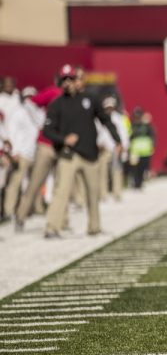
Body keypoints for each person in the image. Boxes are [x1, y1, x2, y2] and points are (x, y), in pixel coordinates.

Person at [42, 66, 121, 238]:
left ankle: (95, 227)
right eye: (65, 80)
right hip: (68, 155)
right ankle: (52, 227)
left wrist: (117, 140)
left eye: (72, 79)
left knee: (93, 194)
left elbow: (105, 120)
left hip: (89, 154)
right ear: (61, 83)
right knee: (61, 192)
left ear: (78, 81)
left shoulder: (90, 99)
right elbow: (47, 130)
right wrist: (63, 139)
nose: (69, 83)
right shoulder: (57, 105)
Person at [14, 71, 65, 231]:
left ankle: (61, 221)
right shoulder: (52, 92)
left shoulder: (73, 98)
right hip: (46, 144)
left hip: (62, 145)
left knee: (62, 185)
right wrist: (41, 122)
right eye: (65, 79)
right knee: (35, 182)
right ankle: (21, 216)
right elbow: (30, 103)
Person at [2, 87, 41, 222]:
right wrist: (14, 152)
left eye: (32, 97)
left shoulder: (37, 112)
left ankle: (34, 209)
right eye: (27, 97)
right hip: (21, 153)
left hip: (34, 152)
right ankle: (9, 211)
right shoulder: (18, 113)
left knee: (34, 183)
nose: (30, 100)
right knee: (15, 183)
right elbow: (12, 133)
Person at [129, 108, 155, 189]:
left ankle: (140, 182)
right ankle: (136, 183)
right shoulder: (132, 126)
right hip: (135, 151)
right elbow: (129, 136)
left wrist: (153, 145)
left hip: (145, 151)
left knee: (142, 168)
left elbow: (152, 136)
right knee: (134, 168)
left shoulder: (146, 126)